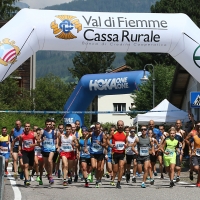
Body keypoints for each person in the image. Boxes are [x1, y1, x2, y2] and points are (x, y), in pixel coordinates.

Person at [84, 122, 106, 188]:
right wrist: (85, 147)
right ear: (94, 128)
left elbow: (105, 144)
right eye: (96, 128)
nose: (98, 130)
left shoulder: (102, 135)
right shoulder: (92, 133)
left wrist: (100, 143)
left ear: (100, 128)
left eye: (99, 128)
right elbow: (86, 139)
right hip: (93, 152)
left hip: (100, 153)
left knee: (99, 169)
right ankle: (91, 173)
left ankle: (98, 180)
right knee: (93, 166)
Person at [107, 120, 127, 189]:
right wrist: (110, 144)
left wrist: (126, 145)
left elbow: (126, 142)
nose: (120, 126)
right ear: (117, 125)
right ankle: (113, 179)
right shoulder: (113, 133)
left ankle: (118, 182)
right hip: (115, 153)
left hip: (122, 153)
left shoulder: (125, 134)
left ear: (123, 125)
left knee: (121, 167)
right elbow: (107, 140)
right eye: (119, 125)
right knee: (115, 170)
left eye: (121, 125)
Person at [18, 122, 38, 187]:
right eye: (26, 126)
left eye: (28, 126)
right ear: (24, 127)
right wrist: (19, 150)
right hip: (25, 152)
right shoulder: (22, 136)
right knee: (25, 166)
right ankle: (27, 180)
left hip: (31, 152)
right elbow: (20, 144)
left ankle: (25, 174)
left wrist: (33, 144)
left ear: (30, 127)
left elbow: (38, 143)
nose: (27, 127)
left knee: (30, 167)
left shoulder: (34, 134)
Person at [184, 121, 200, 186]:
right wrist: (191, 147)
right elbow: (186, 139)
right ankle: (191, 171)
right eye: (198, 126)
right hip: (194, 152)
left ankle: (198, 182)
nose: (199, 127)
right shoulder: (193, 133)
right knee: (195, 167)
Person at [41, 118, 56, 185]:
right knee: (46, 164)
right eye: (47, 124)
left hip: (52, 149)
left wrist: (57, 144)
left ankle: (51, 175)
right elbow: (38, 139)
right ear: (45, 124)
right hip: (44, 149)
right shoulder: (42, 131)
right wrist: (42, 139)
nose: (48, 126)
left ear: (51, 125)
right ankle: (48, 174)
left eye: (49, 124)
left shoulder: (54, 132)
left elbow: (58, 137)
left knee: (50, 160)